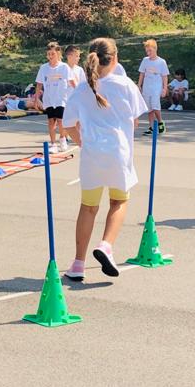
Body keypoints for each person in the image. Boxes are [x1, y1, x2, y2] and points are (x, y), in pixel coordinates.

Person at [62, 38, 148, 282]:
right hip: (118, 153)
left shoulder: (82, 87)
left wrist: (82, 141)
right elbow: (135, 119)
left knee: (88, 208)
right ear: (115, 57)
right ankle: (106, 245)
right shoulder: (125, 85)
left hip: (92, 155)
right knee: (119, 202)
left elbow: (68, 125)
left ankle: (78, 263)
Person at [35, 42, 73, 152]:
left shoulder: (64, 67)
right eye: (48, 54)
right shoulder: (44, 68)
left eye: (53, 54)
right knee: (51, 121)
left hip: (62, 98)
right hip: (49, 99)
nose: (50, 56)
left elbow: (71, 82)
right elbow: (39, 84)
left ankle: (62, 139)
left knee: (61, 121)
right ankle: (53, 144)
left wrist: (77, 95)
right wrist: (36, 99)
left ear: (58, 53)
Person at [137, 39, 169, 134]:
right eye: (147, 51)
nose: (148, 53)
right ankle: (151, 127)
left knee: (155, 105)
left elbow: (164, 76)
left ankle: (160, 123)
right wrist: (139, 85)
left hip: (156, 87)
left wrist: (164, 88)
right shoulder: (145, 60)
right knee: (149, 108)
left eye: (150, 50)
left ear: (155, 49)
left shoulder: (161, 62)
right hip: (147, 87)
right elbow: (142, 74)